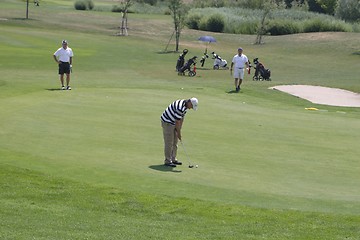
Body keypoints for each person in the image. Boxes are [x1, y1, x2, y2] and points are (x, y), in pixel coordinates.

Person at [160, 98, 198, 167]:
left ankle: (173, 159)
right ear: (189, 103)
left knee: (175, 141)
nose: (191, 108)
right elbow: (177, 121)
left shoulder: (185, 107)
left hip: (173, 121)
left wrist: (179, 130)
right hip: (167, 122)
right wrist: (179, 133)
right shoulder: (180, 107)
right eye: (191, 106)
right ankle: (168, 161)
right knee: (169, 142)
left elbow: (181, 119)